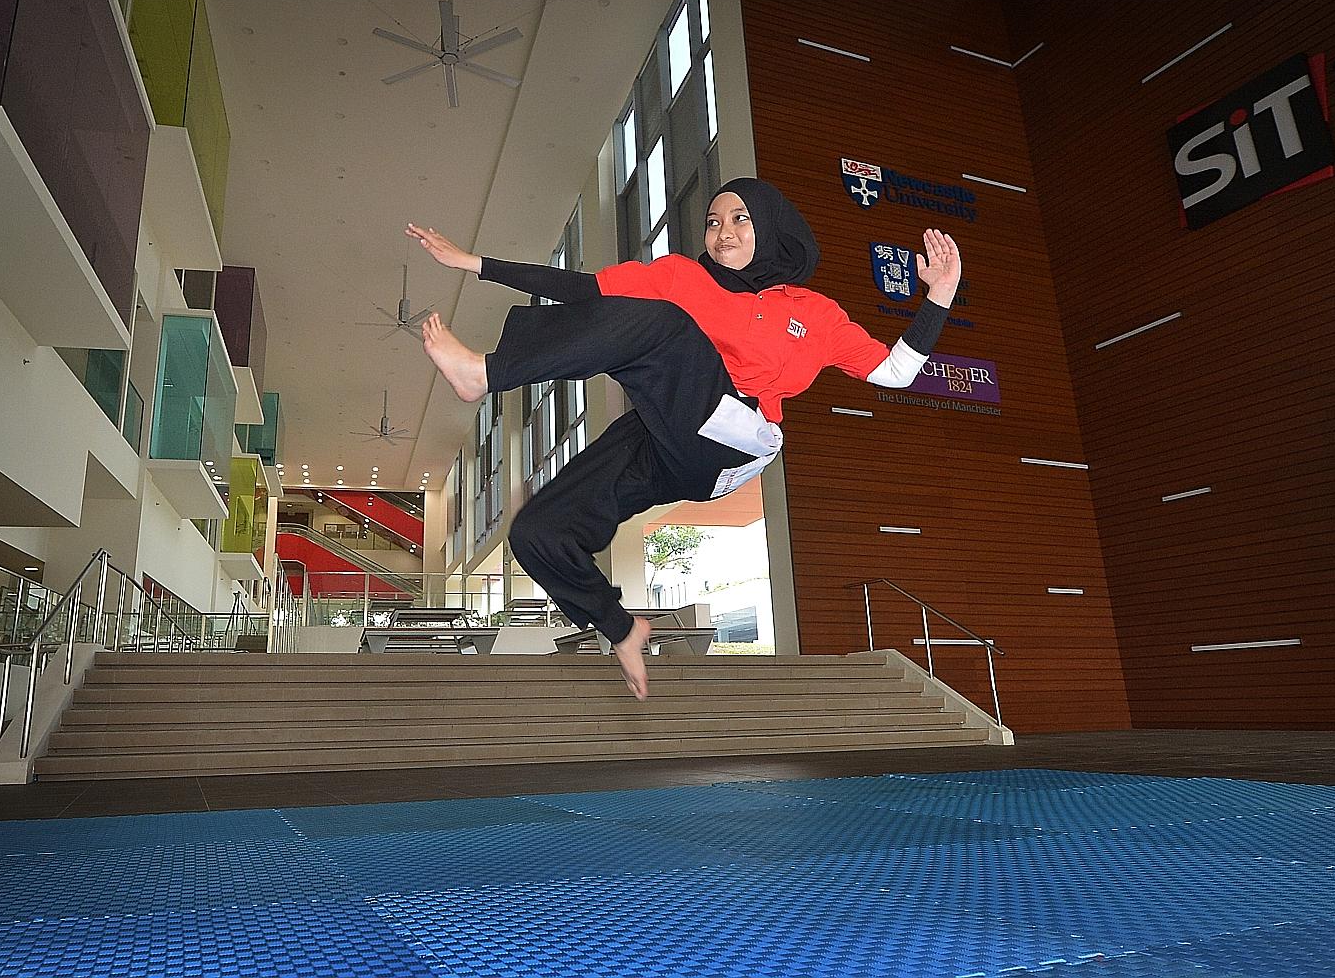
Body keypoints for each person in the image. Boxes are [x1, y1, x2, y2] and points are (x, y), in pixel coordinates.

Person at [406, 178, 960, 700]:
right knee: (537, 531)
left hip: (734, 442)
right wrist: (474, 264)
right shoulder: (681, 277)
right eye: (713, 222)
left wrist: (938, 296)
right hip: (666, 437)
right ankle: (621, 629)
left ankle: (485, 373)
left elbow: (896, 372)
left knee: (667, 327)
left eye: (740, 220)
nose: (723, 233)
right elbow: (584, 290)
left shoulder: (814, 313)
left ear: (770, 226)